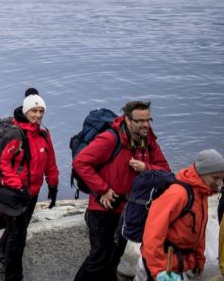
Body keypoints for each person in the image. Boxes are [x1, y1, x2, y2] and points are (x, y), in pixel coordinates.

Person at [73, 100, 170, 281]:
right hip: (103, 208)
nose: (145, 125)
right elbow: (80, 162)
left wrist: (145, 167)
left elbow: (166, 171)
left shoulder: (148, 140)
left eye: (148, 120)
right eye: (140, 121)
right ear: (127, 119)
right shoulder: (110, 138)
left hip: (129, 210)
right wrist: (103, 189)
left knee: (114, 257)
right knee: (99, 259)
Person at [0, 90, 59, 280]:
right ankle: (13, 275)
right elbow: (3, 164)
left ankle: (2, 256)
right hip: (16, 193)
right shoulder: (16, 134)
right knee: (18, 237)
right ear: (26, 111)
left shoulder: (44, 134)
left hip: (32, 193)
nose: (38, 115)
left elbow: (50, 161)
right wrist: (17, 186)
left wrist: (53, 185)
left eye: (41, 111)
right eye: (34, 111)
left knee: (17, 231)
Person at [139, 149, 224, 280]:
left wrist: (199, 260)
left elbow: (199, 231)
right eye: (216, 178)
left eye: (222, 178)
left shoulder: (202, 194)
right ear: (202, 173)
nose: (219, 183)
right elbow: (152, 235)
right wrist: (158, 272)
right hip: (163, 264)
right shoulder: (178, 194)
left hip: (180, 262)